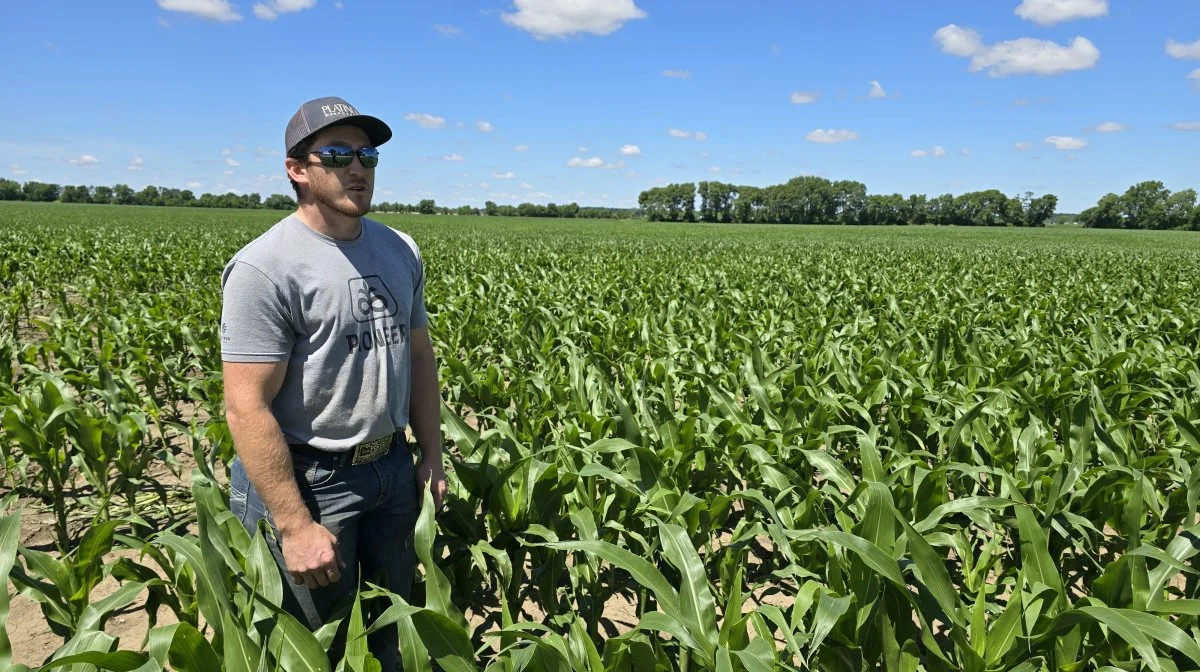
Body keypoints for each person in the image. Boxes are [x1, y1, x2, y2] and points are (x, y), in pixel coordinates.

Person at [219, 95, 447, 671]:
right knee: (314, 650)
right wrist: (294, 526)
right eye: (338, 154)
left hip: (391, 470)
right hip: (310, 480)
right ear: (297, 169)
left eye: (367, 155)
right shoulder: (265, 267)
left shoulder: (399, 248)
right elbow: (246, 406)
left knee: (395, 634)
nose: (358, 167)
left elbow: (419, 356)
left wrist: (432, 456)